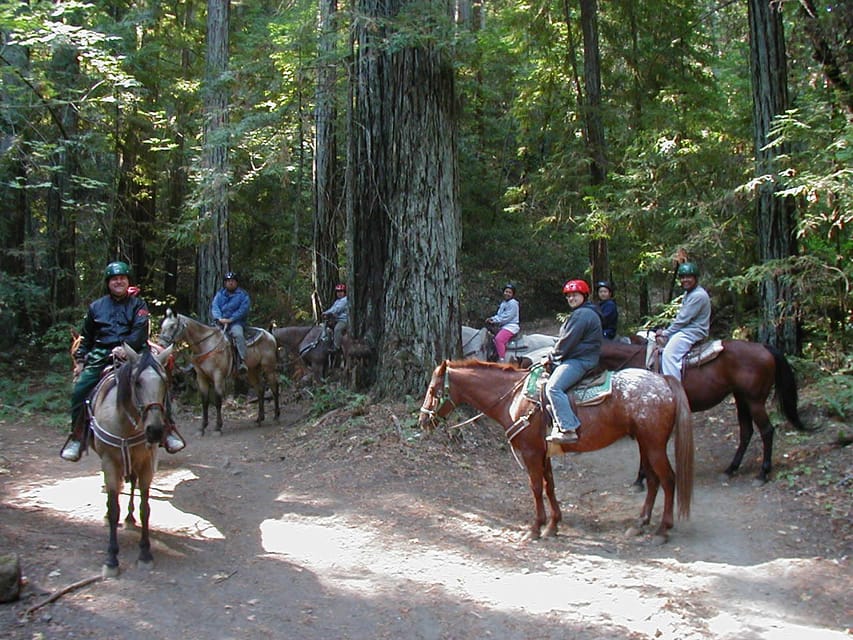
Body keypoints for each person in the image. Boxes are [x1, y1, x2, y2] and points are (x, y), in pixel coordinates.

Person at [61, 261, 185, 461]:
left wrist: (125, 348)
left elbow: (139, 331)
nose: (118, 282)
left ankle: (167, 431)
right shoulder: (95, 308)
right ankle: (77, 437)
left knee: (157, 382)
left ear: (128, 281)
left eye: (122, 278)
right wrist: (81, 360)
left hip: (135, 354)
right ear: (108, 282)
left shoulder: (139, 305)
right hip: (102, 354)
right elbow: (86, 337)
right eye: (114, 279)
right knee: (80, 390)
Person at [544, 279, 603, 444]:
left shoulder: (582, 314)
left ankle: (568, 428)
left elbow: (566, 342)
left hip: (581, 360)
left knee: (553, 388)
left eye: (575, 295)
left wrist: (552, 357)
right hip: (582, 356)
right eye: (569, 296)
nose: (571, 299)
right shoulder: (586, 312)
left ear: (584, 296)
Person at [655, 262, 711, 380]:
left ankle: (674, 391)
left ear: (695, 278)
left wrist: (665, 333)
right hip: (687, 329)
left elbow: (682, 320)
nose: (685, 280)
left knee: (669, 355)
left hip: (692, 332)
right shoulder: (689, 293)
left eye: (689, 277)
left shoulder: (698, 295)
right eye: (682, 277)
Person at [211, 271, 251, 373]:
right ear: (225, 283)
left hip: (236, 322)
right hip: (220, 322)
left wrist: (231, 319)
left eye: (232, 281)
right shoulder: (220, 294)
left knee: (238, 335)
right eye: (228, 281)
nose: (230, 283)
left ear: (236, 282)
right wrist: (219, 318)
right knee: (208, 335)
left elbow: (243, 310)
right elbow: (215, 307)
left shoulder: (243, 295)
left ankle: (242, 361)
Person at [487, 283, 521, 362]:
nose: (507, 294)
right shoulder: (504, 303)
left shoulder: (513, 303)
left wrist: (494, 321)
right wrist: (492, 319)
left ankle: (502, 360)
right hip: (504, 326)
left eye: (510, 292)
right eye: (506, 292)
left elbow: (507, 317)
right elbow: (499, 315)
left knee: (499, 339)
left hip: (511, 326)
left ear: (512, 294)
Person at [322, 283, 349, 352]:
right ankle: (325, 342)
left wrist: (326, 313)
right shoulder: (337, 301)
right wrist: (326, 313)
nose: (339, 293)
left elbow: (336, 309)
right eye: (338, 292)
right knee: (325, 327)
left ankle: (336, 347)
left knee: (337, 329)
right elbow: (332, 308)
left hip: (344, 320)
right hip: (336, 319)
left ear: (344, 292)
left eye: (341, 291)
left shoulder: (345, 300)